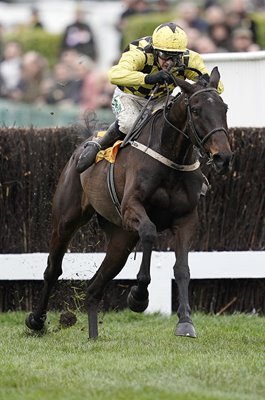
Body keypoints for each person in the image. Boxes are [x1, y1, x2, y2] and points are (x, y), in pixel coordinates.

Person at [76, 22, 224, 173]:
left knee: (179, 123)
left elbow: (219, 88)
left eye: (175, 57)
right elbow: (114, 75)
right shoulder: (139, 53)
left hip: (160, 99)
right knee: (128, 123)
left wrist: (206, 81)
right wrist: (149, 78)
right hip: (129, 96)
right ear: (155, 50)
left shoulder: (191, 59)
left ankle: (193, 167)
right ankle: (99, 144)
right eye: (165, 56)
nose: (170, 62)